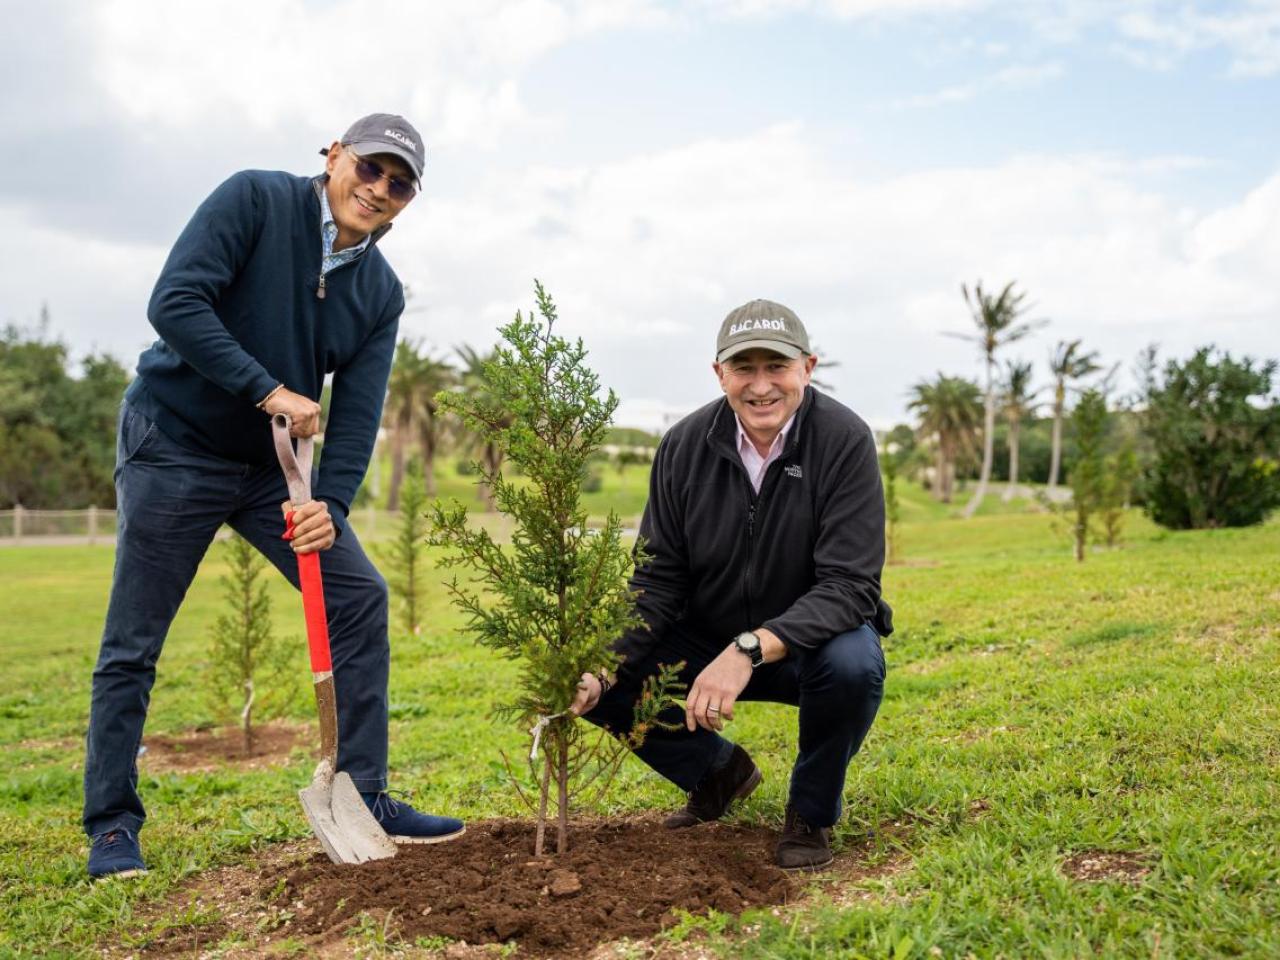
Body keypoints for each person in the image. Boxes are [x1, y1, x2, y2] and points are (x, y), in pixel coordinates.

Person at [84, 114, 464, 880]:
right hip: (173, 443)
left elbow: (355, 419)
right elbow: (175, 303)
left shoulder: (380, 292)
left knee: (358, 595)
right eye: (369, 168)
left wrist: (335, 507)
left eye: (399, 184)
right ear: (333, 155)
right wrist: (268, 390)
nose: (378, 189)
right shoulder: (255, 201)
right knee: (135, 639)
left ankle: (365, 793)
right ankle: (112, 825)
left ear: (408, 201)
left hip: (268, 473)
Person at [571, 299, 892, 871]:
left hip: (806, 646)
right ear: (719, 373)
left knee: (853, 665)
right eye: (744, 368)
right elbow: (658, 578)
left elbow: (850, 586)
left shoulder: (844, 440)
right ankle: (716, 773)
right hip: (703, 637)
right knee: (594, 666)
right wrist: (601, 664)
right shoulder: (683, 446)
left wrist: (750, 647)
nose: (761, 385)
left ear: (808, 368)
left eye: (778, 366)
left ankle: (811, 813)